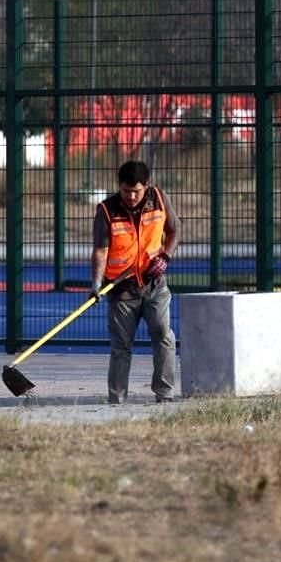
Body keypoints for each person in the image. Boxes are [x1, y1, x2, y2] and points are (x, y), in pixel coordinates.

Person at [90, 160, 180, 404]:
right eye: (126, 190)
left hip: (154, 285)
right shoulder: (106, 210)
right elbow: (100, 250)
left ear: (147, 186)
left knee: (163, 334)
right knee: (121, 346)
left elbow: (174, 230)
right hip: (121, 290)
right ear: (119, 187)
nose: (130, 196)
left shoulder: (160, 199)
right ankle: (117, 399)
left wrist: (165, 256)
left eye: (136, 191)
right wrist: (96, 284)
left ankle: (165, 393)